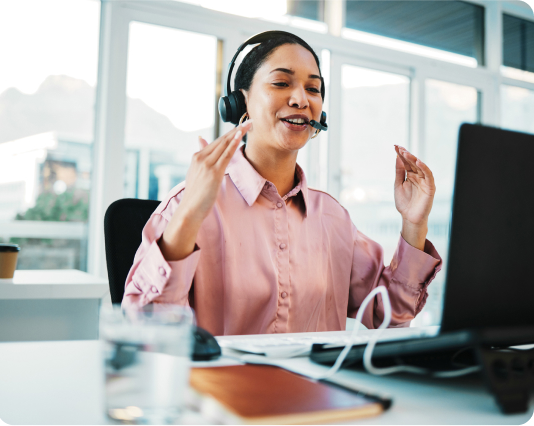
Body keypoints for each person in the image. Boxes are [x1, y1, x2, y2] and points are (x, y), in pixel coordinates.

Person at [122, 32, 442, 335]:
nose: (301, 99)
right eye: (280, 83)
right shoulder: (185, 204)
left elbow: (390, 317)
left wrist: (414, 225)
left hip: (317, 392)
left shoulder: (333, 219)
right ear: (240, 102)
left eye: (313, 89)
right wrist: (189, 216)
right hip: (223, 390)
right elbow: (145, 333)